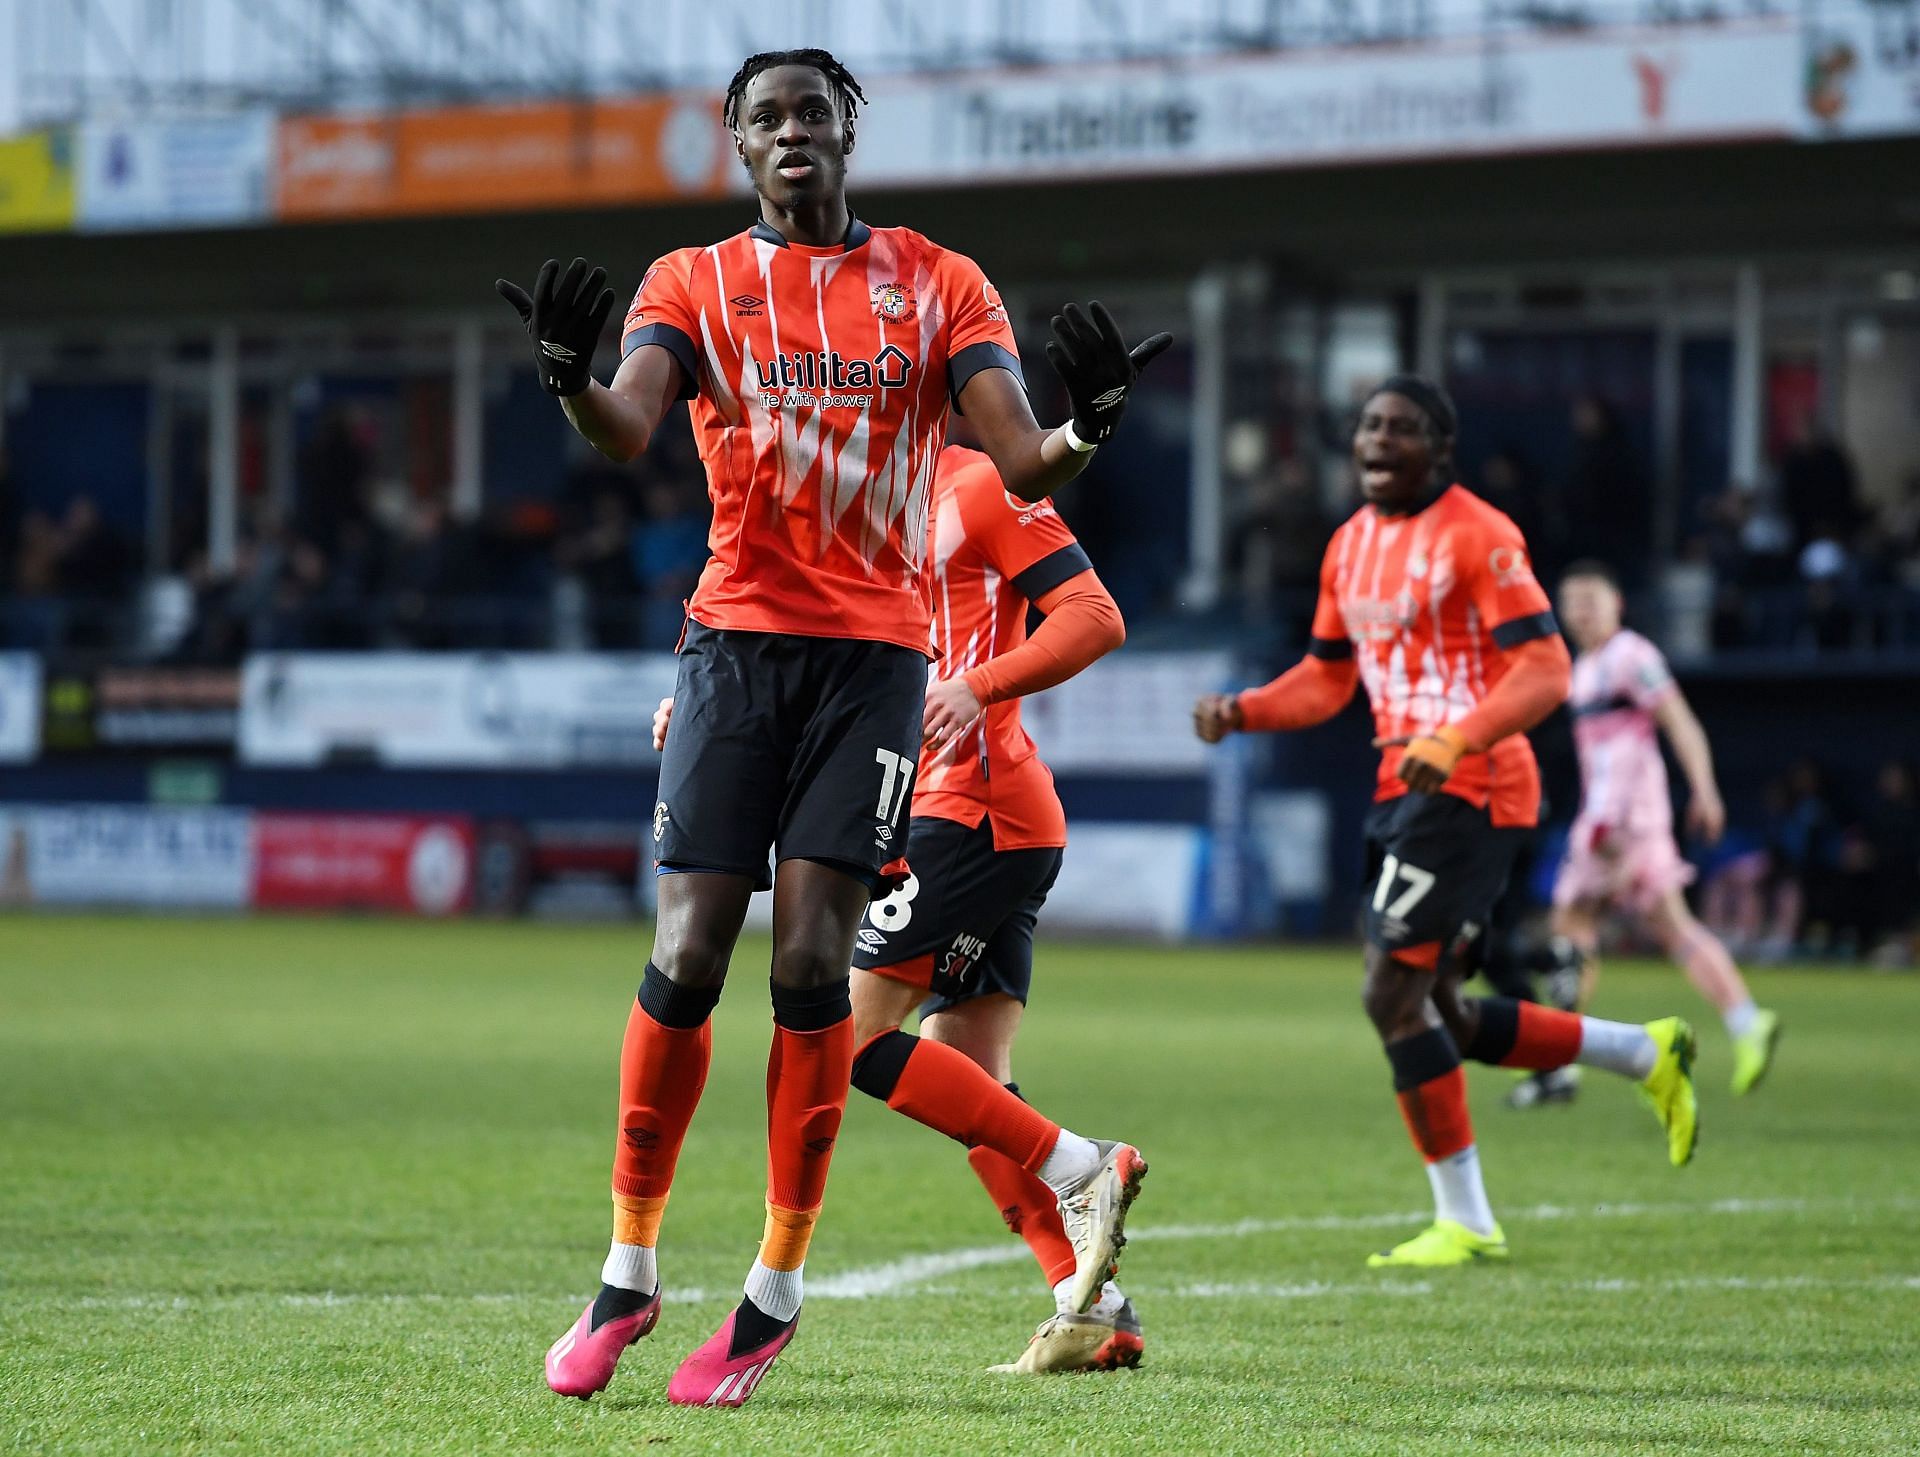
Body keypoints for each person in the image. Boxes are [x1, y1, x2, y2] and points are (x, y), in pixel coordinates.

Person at [497, 48, 1169, 1409]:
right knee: (686, 948)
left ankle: (770, 1294)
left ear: (848, 128)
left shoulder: (940, 280)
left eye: (813, 109)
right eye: (765, 116)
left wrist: (1090, 423)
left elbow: (1025, 455)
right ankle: (627, 1273)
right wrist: (570, 381)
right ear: (735, 143)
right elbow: (627, 427)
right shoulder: (692, 280)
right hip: (734, 649)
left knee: (811, 973)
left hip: (871, 662)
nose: (791, 130)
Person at [653, 440, 1145, 1376]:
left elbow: (1094, 614)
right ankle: (1096, 1308)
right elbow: (803, 653)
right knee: (971, 1076)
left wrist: (979, 682)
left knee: (857, 1033)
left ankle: (1085, 1163)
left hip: (970, 808)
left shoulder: (977, 483)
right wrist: (711, 711)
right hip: (962, 813)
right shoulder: (838, 499)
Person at [1192, 375, 1699, 1270]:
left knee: (1387, 993)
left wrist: (1458, 737)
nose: (1378, 441)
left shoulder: (1481, 533)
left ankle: (1466, 1217)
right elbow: (1328, 677)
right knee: (1442, 1015)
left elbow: (1544, 670)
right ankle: (1640, 1050)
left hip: (1477, 786)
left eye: (1402, 428)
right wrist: (1246, 710)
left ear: (1441, 447)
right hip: (1405, 790)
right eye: (1368, 428)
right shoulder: (1348, 545)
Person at [1551, 563, 1782, 1094]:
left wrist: (1705, 788)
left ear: (1618, 604)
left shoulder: (1632, 656)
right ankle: (1564, 1055)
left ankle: (1562, 1057)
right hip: (1602, 812)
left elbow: (1678, 720)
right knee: (1582, 922)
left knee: (1597, 923)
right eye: (1572, 601)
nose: (1581, 612)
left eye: (1592, 599)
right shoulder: (1582, 669)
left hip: (1632, 815)